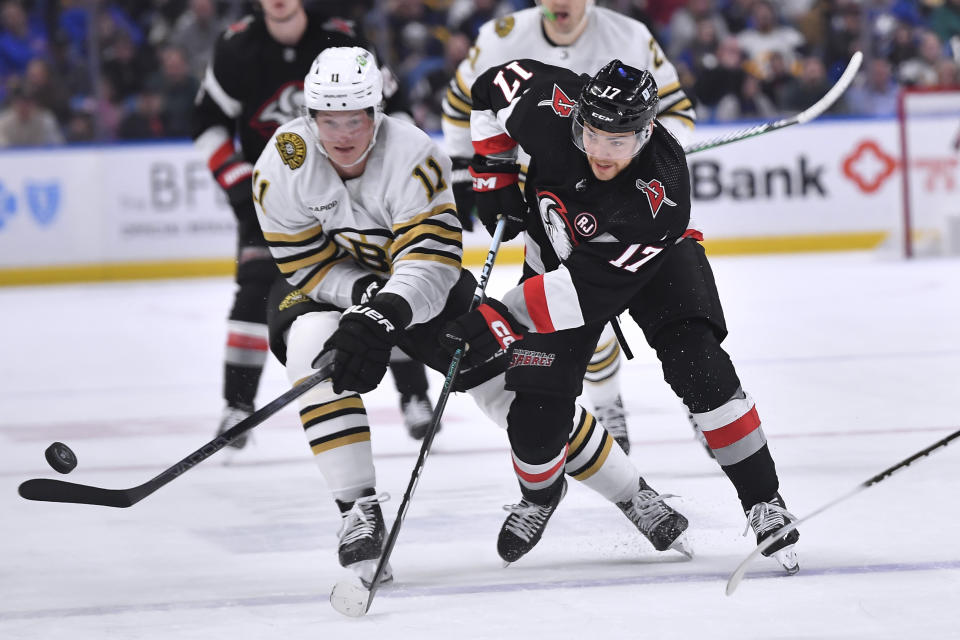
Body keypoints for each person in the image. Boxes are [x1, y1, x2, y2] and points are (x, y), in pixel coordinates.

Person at [252, 46, 691, 582]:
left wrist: (386, 308)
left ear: (375, 113)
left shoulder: (413, 153)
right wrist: (364, 294)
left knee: (518, 388)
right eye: (328, 120)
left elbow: (431, 261)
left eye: (354, 119)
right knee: (311, 352)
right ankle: (357, 513)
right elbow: (302, 262)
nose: (342, 134)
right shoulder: (282, 163)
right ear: (309, 117)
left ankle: (633, 494)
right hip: (326, 291)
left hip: (416, 291)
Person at [441, 57, 801, 573]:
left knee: (697, 365)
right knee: (533, 415)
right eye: (592, 134)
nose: (601, 152)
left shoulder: (660, 194)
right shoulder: (549, 107)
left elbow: (583, 291)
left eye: (619, 141)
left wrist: (498, 317)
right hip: (557, 262)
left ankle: (764, 499)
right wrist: (491, 170)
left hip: (651, 267)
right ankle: (541, 496)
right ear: (578, 119)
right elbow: (485, 86)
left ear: (647, 131)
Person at [440, 0, 698, 455]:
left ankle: (700, 404)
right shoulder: (499, 36)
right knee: (571, 307)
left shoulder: (631, 35)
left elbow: (676, 108)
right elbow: (465, 99)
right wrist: (478, 166)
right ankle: (606, 399)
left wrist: (646, 153)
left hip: (626, 197)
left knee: (672, 317)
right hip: (547, 196)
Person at [192, 0, 437, 449]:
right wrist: (236, 180)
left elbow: (394, 109)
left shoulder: (341, 38)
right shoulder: (235, 49)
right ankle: (237, 406)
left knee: (384, 287)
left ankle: (415, 397)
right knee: (254, 290)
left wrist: (387, 174)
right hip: (278, 198)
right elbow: (206, 121)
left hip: (356, 192)